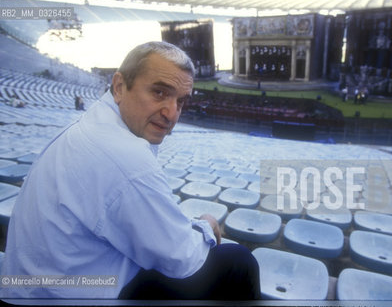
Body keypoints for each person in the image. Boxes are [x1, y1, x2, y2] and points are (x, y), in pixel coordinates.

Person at [0, 41, 260, 300]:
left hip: (38, 285)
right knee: (239, 261)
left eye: (180, 101)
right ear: (119, 87)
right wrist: (206, 225)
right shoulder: (126, 158)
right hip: (65, 294)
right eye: (159, 93)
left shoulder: (91, 125)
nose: (172, 113)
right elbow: (182, 258)